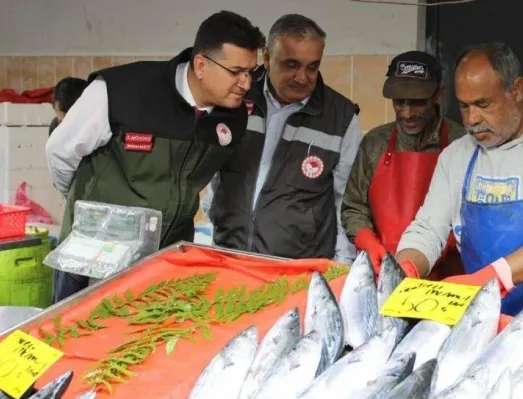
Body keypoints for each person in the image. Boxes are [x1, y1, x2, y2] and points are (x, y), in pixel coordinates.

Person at [45, 11, 265, 303]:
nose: (246, 83)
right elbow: (60, 152)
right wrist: (84, 209)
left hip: (162, 264)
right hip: (91, 261)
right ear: (201, 65)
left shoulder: (233, 118)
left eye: (251, 71)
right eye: (236, 71)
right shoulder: (120, 91)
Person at [395, 42, 523, 316]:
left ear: (516, 90)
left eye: (483, 104)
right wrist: (406, 267)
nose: (472, 119)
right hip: (484, 319)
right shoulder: (457, 156)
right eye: (464, 106)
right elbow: (428, 229)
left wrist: (490, 278)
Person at [209, 14, 362, 264]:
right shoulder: (236, 100)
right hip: (229, 258)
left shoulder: (340, 117)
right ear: (267, 58)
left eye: (312, 66)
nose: (302, 77)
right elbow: (216, 174)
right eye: (290, 65)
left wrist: (342, 267)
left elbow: (346, 201)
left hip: (297, 270)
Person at [341, 50, 466, 279]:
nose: (407, 113)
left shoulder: (462, 143)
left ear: (438, 94)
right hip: (385, 272)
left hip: (448, 279)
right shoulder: (374, 143)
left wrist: (447, 241)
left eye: (417, 103)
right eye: (399, 102)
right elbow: (354, 206)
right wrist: (368, 242)